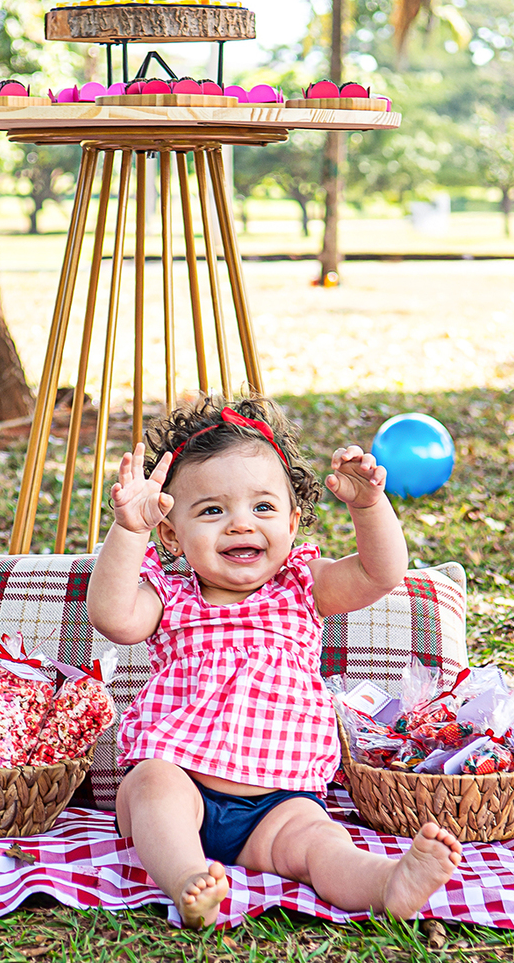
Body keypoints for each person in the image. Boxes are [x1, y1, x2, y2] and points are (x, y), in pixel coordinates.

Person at [86, 396, 462, 929]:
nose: (241, 525)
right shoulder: (169, 596)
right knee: (150, 788)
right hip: (182, 780)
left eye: (262, 508)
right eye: (212, 511)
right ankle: (189, 879)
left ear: (292, 522)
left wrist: (368, 507)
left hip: (280, 800)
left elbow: (381, 573)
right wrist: (129, 529)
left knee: (320, 844)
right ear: (170, 533)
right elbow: (111, 617)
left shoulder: (304, 586)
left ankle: (385, 883)